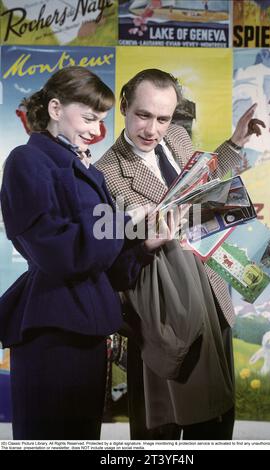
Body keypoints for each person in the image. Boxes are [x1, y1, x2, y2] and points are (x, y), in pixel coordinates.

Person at [0, 66, 175, 440]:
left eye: (101, 121)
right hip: (52, 327)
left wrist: (143, 246)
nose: (95, 129)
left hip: (91, 328)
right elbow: (58, 253)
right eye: (89, 117)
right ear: (56, 108)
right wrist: (124, 221)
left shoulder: (90, 172)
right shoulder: (25, 161)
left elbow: (105, 266)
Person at [96, 68, 265, 440]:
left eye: (163, 118)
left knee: (218, 419)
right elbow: (110, 250)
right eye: (143, 115)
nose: (152, 129)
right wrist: (142, 236)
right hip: (165, 310)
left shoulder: (175, 137)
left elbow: (203, 182)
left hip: (213, 290)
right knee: (162, 424)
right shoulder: (104, 173)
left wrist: (234, 143)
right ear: (123, 106)